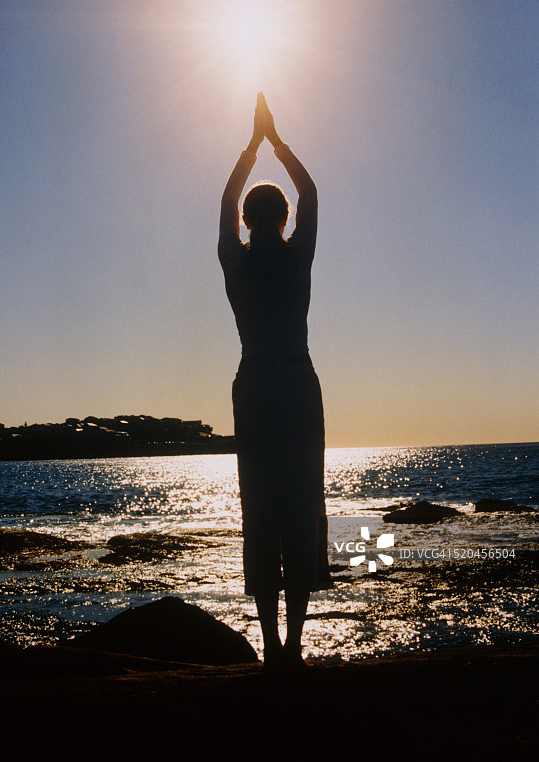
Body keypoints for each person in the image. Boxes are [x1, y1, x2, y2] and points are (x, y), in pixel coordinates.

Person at [219, 93, 329, 670]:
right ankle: (293, 646)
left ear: (246, 221)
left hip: (255, 388)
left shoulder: (235, 264)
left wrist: (250, 147)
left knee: (260, 509)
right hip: (296, 385)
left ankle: (268, 647)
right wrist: (276, 141)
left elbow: (226, 199)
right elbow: (310, 192)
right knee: (299, 505)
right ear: (284, 220)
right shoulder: (297, 259)